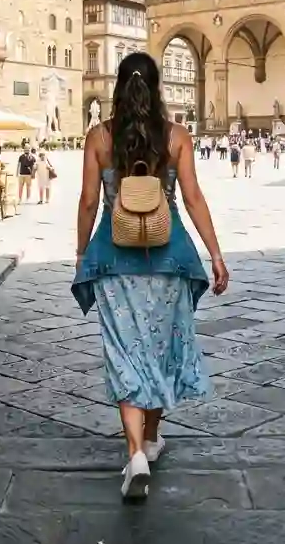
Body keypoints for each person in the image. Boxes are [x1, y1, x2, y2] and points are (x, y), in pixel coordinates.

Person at [72, 52, 229, 502]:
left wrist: (83, 252)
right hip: (170, 259)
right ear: (157, 87)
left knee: (125, 353)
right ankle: (153, 439)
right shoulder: (176, 136)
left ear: (117, 88)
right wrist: (215, 254)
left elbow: (87, 201)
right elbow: (194, 197)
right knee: (160, 349)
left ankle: (137, 450)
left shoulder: (98, 137)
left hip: (113, 261)